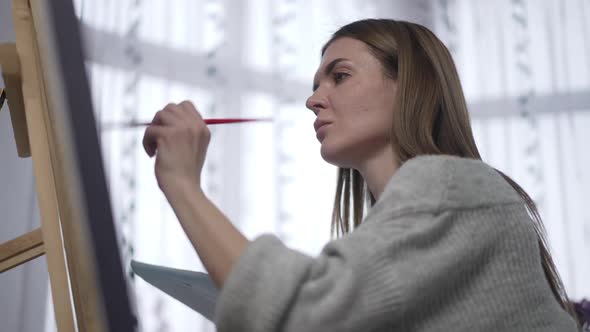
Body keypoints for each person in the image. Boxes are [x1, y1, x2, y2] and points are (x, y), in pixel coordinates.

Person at [142, 19, 580, 331]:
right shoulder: (418, 215)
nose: (314, 99)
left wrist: (181, 182)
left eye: (340, 76)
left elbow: (298, 315)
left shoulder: (451, 185)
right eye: (317, 84)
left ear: (408, 84)